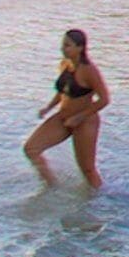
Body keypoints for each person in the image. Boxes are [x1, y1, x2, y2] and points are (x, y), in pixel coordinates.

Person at [24, 27, 109, 187]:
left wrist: (80, 117)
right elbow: (63, 91)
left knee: (87, 170)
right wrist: (48, 108)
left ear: (80, 48)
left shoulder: (89, 70)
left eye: (67, 45)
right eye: (63, 45)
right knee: (31, 149)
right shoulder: (65, 64)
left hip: (85, 121)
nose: (63, 49)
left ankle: (99, 201)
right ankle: (51, 187)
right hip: (63, 118)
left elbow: (104, 99)